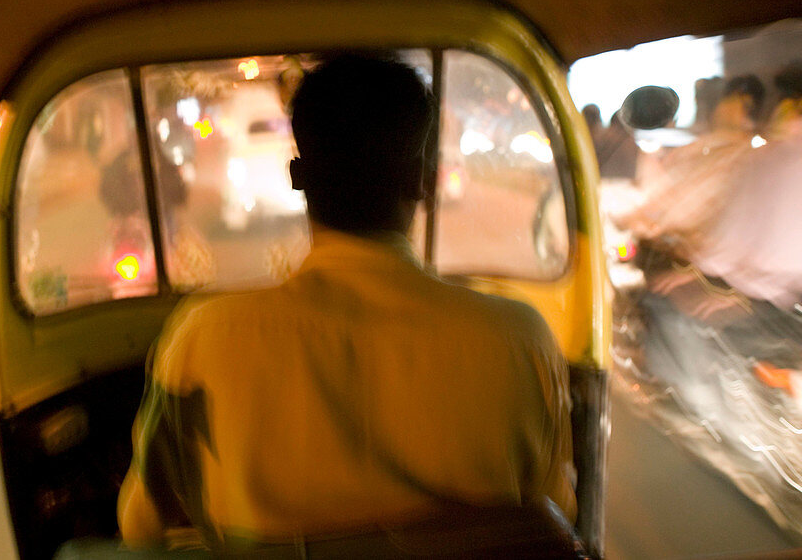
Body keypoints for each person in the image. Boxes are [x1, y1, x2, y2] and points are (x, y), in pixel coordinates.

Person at [116, 53, 576, 549]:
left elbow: (141, 528)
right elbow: (556, 511)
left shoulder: (204, 336)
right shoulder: (518, 337)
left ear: (298, 177)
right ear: (423, 179)